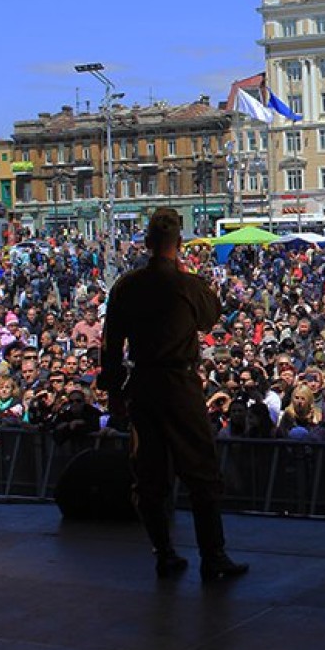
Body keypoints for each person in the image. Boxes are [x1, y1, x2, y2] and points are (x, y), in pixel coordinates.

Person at [98, 208, 248, 581]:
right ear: (179, 245)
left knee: (149, 475)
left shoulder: (126, 287)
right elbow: (211, 318)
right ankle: (213, 557)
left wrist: (115, 392)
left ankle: (163, 553)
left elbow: (111, 345)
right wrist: (190, 276)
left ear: (147, 243)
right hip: (180, 386)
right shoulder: (186, 285)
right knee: (201, 472)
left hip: (143, 387)